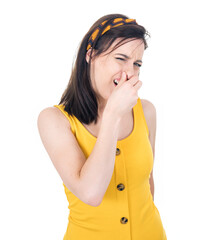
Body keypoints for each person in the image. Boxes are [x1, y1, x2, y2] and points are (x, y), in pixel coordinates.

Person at [37, 13, 167, 240]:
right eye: (120, 58)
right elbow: (91, 193)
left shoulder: (146, 111)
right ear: (90, 55)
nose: (129, 73)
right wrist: (113, 114)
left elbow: (148, 184)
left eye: (137, 64)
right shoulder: (54, 120)